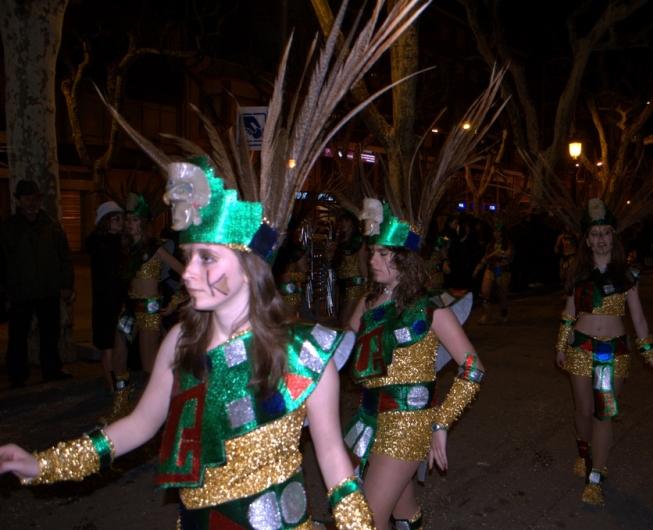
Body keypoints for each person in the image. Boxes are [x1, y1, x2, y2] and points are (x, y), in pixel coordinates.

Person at [0, 161, 376, 529]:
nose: (189, 273)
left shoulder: (304, 353)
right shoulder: (182, 340)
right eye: (187, 257)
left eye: (207, 258)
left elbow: (332, 459)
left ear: (250, 269)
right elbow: (137, 426)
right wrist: (44, 465)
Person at [345, 199, 484, 530]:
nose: (373, 259)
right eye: (372, 251)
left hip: (408, 424)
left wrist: (441, 422)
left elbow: (473, 367)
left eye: (383, 253)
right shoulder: (368, 302)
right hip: (369, 417)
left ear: (405, 259)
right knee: (402, 509)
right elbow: (340, 350)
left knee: (365, 521)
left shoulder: (431, 309)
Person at [555, 198, 653, 506]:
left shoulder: (628, 276)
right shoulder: (577, 273)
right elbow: (569, 313)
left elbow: (638, 318)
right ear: (586, 240)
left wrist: (651, 355)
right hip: (580, 347)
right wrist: (560, 345)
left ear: (613, 238)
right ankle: (584, 450)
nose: (601, 239)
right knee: (583, 412)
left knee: (603, 412)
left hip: (614, 352)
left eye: (606, 233)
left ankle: (596, 476)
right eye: (595, 234)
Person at [103, 193, 185, 423]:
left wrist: (174, 302)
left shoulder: (156, 249)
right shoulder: (127, 249)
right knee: (118, 358)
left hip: (149, 308)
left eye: (135, 220)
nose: (130, 223)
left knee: (150, 364)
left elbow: (185, 273)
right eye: (128, 219)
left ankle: (173, 401)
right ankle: (120, 406)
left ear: (144, 223)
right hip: (130, 306)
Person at [0, 180, 74, 388]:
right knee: (17, 337)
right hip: (19, 292)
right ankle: (17, 376)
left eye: (35, 198)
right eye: (27, 198)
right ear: (19, 201)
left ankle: (51, 370)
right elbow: (2, 263)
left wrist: (66, 283)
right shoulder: (8, 228)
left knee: (50, 333)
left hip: (48, 290)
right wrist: (5, 294)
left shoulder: (51, 225)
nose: (31, 202)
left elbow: (65, 257)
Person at [85, 201, 126, 392]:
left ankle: (118, 385)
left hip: (119, 300)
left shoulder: (120, 243)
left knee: (117, 345)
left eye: (121, 218)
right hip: (107, 302)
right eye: (115, 219)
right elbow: (109, 275)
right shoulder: (100, 245)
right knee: (107, 345)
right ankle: (112, 388)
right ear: (105, 221)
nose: (120, 222)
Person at [332, 211, 368, 328]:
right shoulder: (339, 239)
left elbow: (363, 263)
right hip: (342, 281)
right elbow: (331, 262)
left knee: (345, 319)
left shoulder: (358, 241)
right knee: (343, 319)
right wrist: (331, 250)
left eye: (346, 221)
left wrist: (366, 283)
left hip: (354, 282)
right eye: (342, 221)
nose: (343, 224)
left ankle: (351, 345)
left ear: (353, 223)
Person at [472, 222, 514, 324]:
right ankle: (486, 314)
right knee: (485, 292)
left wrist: (497, 253)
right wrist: (477, 269)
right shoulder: (490, 244)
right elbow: (485, 258)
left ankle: (504, 314)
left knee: (502, 295)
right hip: (490, 269)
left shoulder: (508, 244)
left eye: (499, 232)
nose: (496, 234)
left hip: (502, 271)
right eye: (495, 231)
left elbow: (507, 255)